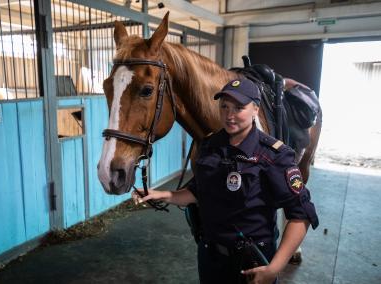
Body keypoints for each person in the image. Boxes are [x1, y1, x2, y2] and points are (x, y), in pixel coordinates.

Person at [132, 78, 318, 284]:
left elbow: (301, 215)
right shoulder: (211, 145)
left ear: (255, 109)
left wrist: (274, 268)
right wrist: (162, 194)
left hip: (252, 262)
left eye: (239, 108)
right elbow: (198, 191)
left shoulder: (273, 155)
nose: (229, 115)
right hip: (210, 257)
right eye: (224, 107)